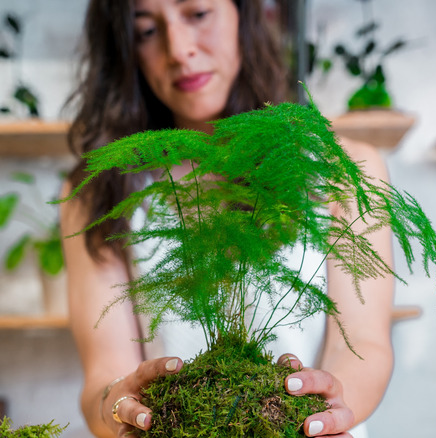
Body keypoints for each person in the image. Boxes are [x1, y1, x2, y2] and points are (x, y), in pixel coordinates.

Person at [59, 1, 395, 437]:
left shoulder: (340, 168)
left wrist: (329, 405)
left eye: (198, 13)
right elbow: (104, 374)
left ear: (245, 14)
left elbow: (362, 345)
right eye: (145, 31)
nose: (178, 50)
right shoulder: (102, 191)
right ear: (123, 49)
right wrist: (117, 406)